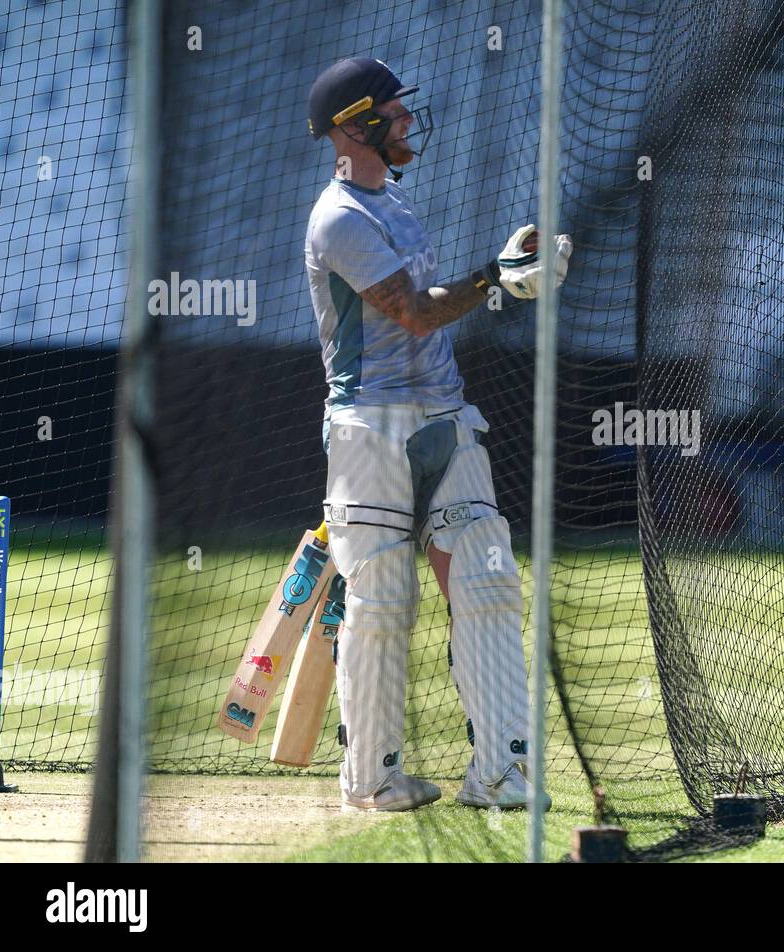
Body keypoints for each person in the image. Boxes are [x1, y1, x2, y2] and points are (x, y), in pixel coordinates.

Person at [303, 57, 572, 812]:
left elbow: (428, 307)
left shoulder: (400, 205)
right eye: (394, 111)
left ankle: (501, 773)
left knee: (487, 580)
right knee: (383, 601)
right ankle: (373, 778)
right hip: (367, 429)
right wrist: (497, 276)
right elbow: (413, 311)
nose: (409, 120)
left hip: (447, 419)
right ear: (354, 126)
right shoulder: (338, 219)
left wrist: (503, 271)